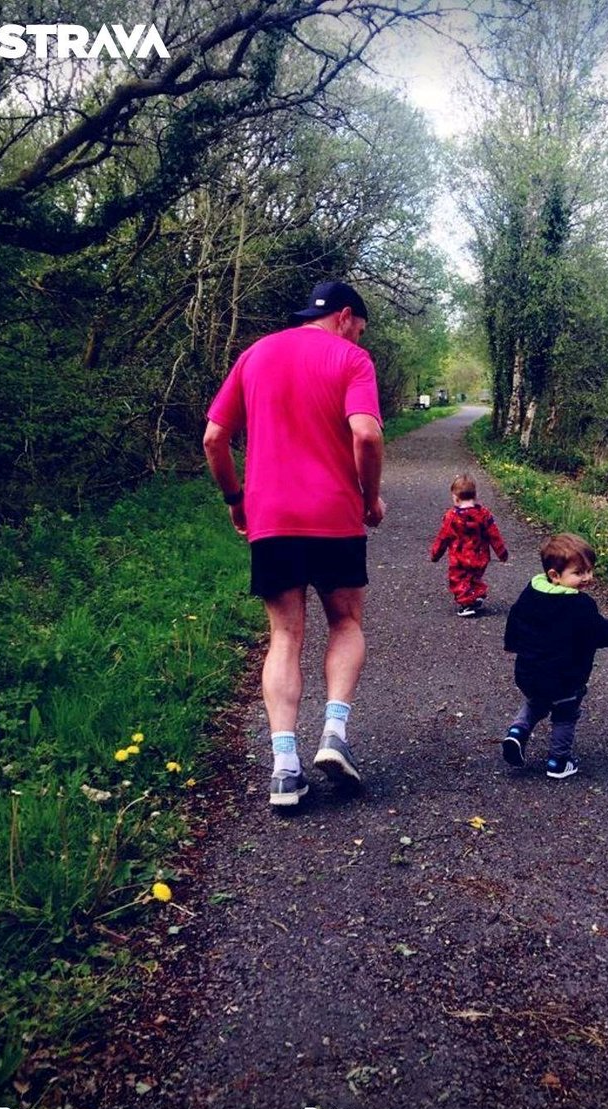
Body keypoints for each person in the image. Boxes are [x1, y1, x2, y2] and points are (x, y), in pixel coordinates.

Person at [203, 280, 385, 806]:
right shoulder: (351, 360)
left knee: (285, 635)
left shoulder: (255, 354)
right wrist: (370, 498)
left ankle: (284, 767)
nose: (358, 337)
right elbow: (367, 434)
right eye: (360, 329)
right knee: (346, 622)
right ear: (347, 317)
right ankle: (334, 735)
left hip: (272, 518)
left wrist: (235, 499)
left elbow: (214, 438)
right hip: (334, 515)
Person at [502, 533, 608, 779]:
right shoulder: (580, 606)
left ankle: (516, 733)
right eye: (579, 573)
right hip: (565, 678)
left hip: (529, 672)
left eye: (590, 570)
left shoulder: (531, 593)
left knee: (535, 702)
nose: (588, 578)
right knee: (565, 715)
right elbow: (598, 630)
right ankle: (559, 761)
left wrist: (514, 646)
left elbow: (515, 620)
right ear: (554, 576)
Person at [430, 473, 508, 617]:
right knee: (474, 577)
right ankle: (476, 594)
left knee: (458, 580)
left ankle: (467, 604)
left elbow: (443, 537)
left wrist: (435, 554)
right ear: (475, 496)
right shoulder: (484, 514)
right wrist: (502, 552)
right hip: (480, 556)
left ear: (456, 498)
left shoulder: (451, 517)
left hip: (459, 558)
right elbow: (494, 535)